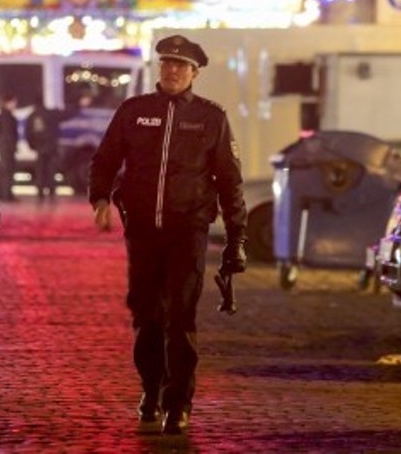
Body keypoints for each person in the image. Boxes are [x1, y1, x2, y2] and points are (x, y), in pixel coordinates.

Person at [88, 34, 247, 436]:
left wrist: (236, 237)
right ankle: (151, 390)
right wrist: (100, 199)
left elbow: (230, 180)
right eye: (167, 64)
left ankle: (178, 402)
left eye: (181, 65)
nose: (173, 70)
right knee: (146, 316)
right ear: (159, 69)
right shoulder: (134, 110)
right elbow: (105, 158)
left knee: (180, 316)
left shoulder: (212, 117)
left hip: (188, 229)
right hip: (142, 230)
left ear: (194, 73)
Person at [26, 98, 74, 202]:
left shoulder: (31, 116)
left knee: (40, 170)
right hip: (51, 146)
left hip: (39, 146)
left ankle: (40, 191)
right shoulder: (51, 113)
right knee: (51, 169)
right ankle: (51, 190)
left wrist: (32, 145)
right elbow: (66, 115)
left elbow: (28, 132)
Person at [0, 94, 19, 201]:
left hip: (3, 147)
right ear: (8, 103)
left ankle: (3, 194)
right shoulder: (8, 117)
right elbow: (8, 134)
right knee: (8, 170)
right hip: (7, 148)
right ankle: (7, 195)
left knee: (4, 170)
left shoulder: (1, 116)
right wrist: (12, 146)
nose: (15, 104)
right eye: (13, 102)